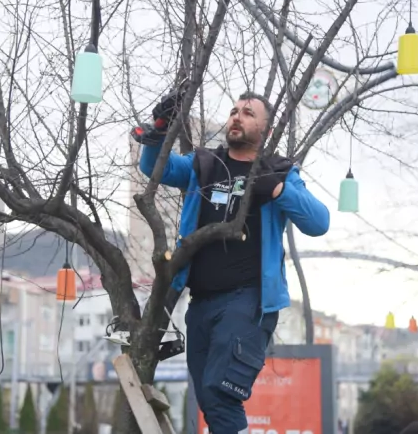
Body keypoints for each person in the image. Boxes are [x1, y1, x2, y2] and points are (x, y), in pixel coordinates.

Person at [136, 90, 330, 434]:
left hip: (248, 300)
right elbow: (153, 167)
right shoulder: (205, 164)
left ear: (266, 130)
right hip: (200, 304)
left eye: (249, 113)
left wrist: (277, 189)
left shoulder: (280, 171)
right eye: (234, 110)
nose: (237, 116)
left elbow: (319, 222)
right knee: (209, 402)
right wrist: (160, 129)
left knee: (220, 391)